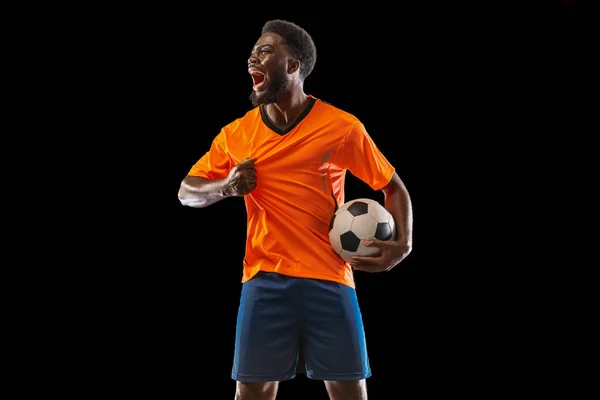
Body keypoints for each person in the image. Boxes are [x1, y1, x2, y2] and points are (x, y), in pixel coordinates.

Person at [178, 19, 413, 400]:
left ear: (293, 66)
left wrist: (404, 245)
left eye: (265, 50)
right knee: (252, 391)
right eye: (253, 52)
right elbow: (186, 191)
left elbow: (393, 187)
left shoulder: (341, 127)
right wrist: (226, 186)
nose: (253, 57)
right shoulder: (236, 134)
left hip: (330, 275)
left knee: (350, 391)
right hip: (264, 278)